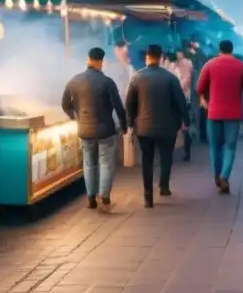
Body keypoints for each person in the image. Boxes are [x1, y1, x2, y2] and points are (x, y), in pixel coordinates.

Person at [62, 47, 128, 210]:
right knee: (106, 163)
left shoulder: (74, 80)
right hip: (106, 129)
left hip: (84, 130)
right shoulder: (107, 82)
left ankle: (91, 198)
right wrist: (124, 126)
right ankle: (105, 197)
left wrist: (75, 117)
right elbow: (119, 107)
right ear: (101, 61)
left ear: (88, 59)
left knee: (89, 163)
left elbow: (65, 104)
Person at [126, 44, 190, 208]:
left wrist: (129, 123)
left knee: (147, 160)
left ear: (147, 58)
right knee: (166, 156)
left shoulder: (137, 77)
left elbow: (130, 103)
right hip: (167, 126)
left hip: (144, 127)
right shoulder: (170, 78)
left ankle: (148, 196)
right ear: (161, 57)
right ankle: (164, 186)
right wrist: (185, 120)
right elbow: (180, 102)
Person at [196, 40, 243, 194]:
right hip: (233, 113)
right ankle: (224, 176)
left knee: (214, 146)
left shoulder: (209, 65)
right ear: (232, 49)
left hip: (214, 111)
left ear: (219, 49)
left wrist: (205, 98)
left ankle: (217, 176)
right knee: (230, 146)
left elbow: (199, 87)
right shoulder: (241, 66)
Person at [167, 48, 195, 161]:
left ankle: (186, 150)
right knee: (183, 126)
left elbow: (187, 80)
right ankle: (185, 150)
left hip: (181, 98)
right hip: (182, 98)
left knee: (183, 126)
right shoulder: (174, 65)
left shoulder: (185, 64)